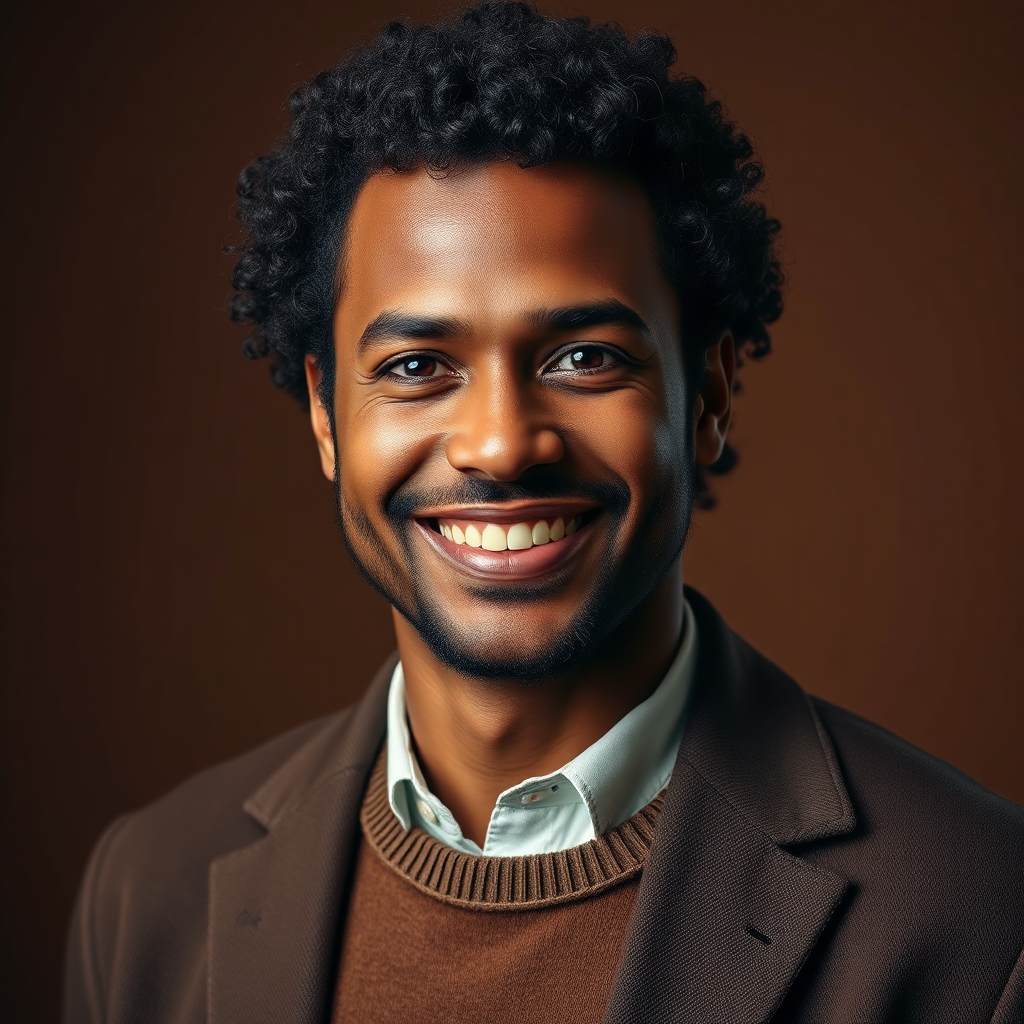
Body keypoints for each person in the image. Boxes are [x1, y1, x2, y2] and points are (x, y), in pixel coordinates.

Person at [63, 4, 1024, 1022]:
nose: (501, 442)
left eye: (584, 357)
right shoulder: (148, 891)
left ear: (708, 395)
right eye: (418, 366)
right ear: (323, 412)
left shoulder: (982, 923)